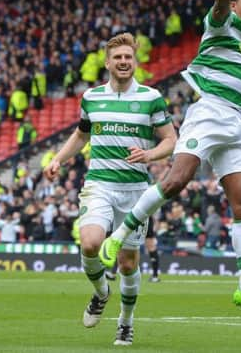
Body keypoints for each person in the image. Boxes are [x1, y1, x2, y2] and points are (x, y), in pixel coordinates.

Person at [99, 0, 241, 320]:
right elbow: (218, 3)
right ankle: (118, 237)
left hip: (235, 121)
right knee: (176, 181)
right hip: (209, 111)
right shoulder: (221, 23)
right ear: (234, 5)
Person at [43, 32, 176, 346]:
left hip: (135, 192)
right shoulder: (91, 98)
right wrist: (58, 159)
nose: (124, 62)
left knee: (128, 263)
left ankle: (125, 323)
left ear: (135, 61)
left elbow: (171, 140)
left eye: (128, 57)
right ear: (107, 63)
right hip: (100, 184)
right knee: (90, 243)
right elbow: (81, 135)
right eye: (118, 57)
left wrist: (150, 154)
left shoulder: (150, 97)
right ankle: (102, 292)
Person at [145, 216, 161, 282]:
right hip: (144, 217)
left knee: (151, 247)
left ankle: (155, 275)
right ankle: (155, 276)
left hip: (142, 218)